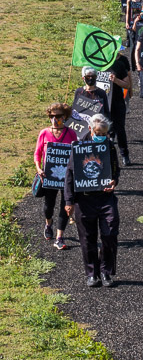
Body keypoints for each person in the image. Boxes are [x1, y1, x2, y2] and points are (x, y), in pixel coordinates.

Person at [64, 114, 120, 288]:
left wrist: (114, 181)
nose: (101, 136)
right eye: (98, 132)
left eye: (104, 133)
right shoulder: (79, 146)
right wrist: (69, 200)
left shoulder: (109, 146)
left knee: (110, 234)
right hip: (84, 199)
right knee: (87, 238)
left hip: (105, 198)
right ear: (90, 129)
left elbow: (116, 170)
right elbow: (70, 175)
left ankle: (106, 272)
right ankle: (91, 273)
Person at [34, 103, 78, 250]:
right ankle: (48, 223)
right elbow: (37, 153)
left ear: (64, 116)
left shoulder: (71, 133)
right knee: (48, 205)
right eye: (51, 116)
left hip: (66, 176)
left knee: (65, 205)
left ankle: (60, 237)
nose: (54, 119)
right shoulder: (44, 133)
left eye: (58, 116)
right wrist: (39, 168)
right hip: (49, 176)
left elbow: (76, 152)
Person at [108, 52, 132, 166]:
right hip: (102, 105)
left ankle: (124, 155)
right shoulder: (95, 66)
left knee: (120, 130)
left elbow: (127, 85)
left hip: (117, 102)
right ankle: (105, 157)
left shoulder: (118, 65)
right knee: (101, 132)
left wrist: (116, 80)